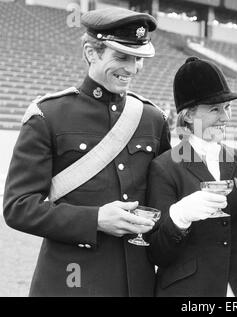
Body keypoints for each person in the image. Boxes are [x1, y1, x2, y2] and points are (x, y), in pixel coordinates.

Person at [2, 7, 171, 296]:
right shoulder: (48, 116)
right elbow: (18, 206)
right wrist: (94, 220)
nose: (131, 69)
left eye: (138, 59)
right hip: (72, 280)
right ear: (91, 52)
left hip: (137, 282)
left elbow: (164, 197)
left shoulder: (152, 119)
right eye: (121, 57)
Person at [146, 57, 237, 297]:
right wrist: (179, 217)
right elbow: (157, 251)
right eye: (214, 109)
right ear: (188, 115)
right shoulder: (164, 167)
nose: (225, 117)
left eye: (227, 107)